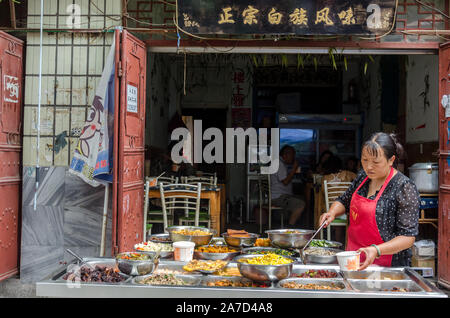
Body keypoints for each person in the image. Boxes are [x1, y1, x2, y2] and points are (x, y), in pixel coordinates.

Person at [319, 132, 420, 270]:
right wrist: (332, 212)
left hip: (387, 266)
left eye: (376, 162)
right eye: (364, 160)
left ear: (391, 160)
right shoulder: (363, 177)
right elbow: (344, 200)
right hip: (353, 258)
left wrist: (376, 250)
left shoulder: (404, 187)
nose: (369, 166)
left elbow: (408, 237)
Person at [271, 145, 306, 228]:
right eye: (292, 155)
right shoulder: (279, 164)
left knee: (302, 198)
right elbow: (285, 181)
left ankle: (294, 224)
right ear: (285, 155)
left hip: (282, 196)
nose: (294, 157)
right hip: (279, 197)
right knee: (300, 204)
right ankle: (290, 227)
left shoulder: (279, 163)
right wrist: (294, 169)